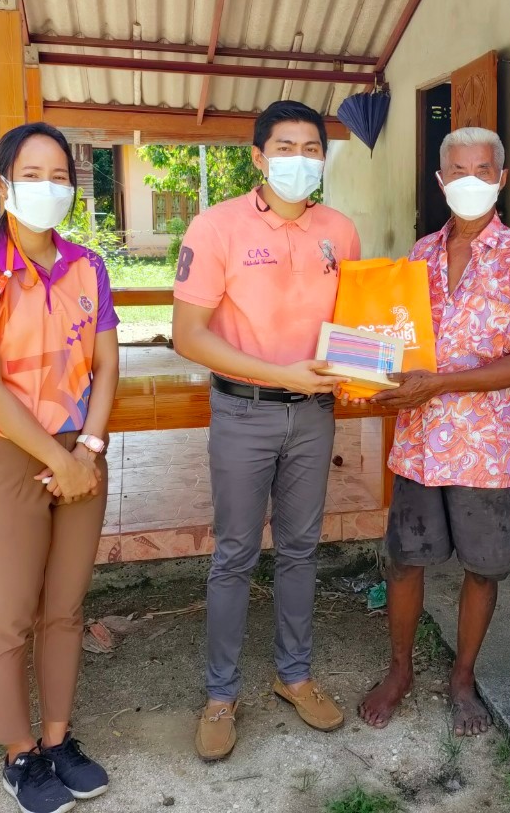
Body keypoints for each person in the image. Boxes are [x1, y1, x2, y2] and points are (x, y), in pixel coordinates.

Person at [0, 122, 119, 813]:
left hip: (81, 452)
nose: (50, 187)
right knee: (8, 616)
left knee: (65, 610)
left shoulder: (88, 266)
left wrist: (88, 449)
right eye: (32, 174)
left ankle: (58, 739)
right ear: (0, 183)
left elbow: (108, 364)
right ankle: (19, 755)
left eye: (60, 176)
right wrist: (57, 460)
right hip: (7, 454)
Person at [172, 100, 361, 761]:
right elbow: (188, 335)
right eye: (285, 147)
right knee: (235, 553)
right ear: (258, 157)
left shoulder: (340, 231)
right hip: (243, 413)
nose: (300, 160)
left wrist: (367, 365)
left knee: (302, 549)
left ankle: (295, 675)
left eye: (312, 149)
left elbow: (356, 324)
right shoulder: (216, 227)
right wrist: (282, 374)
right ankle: (221, 694)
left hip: (313, 415)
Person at [357, 127, 510, 737]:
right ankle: (399, 671)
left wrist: (438, 385)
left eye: (483, 170)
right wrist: (363, 372)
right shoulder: (418, 256)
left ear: (502, 178)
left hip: (488, 448)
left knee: (483, 568)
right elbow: (393, 338)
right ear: (441, 181)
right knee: (404, 562)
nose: (471, 181)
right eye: (459, 171)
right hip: (420, 443)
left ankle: (463, 677)